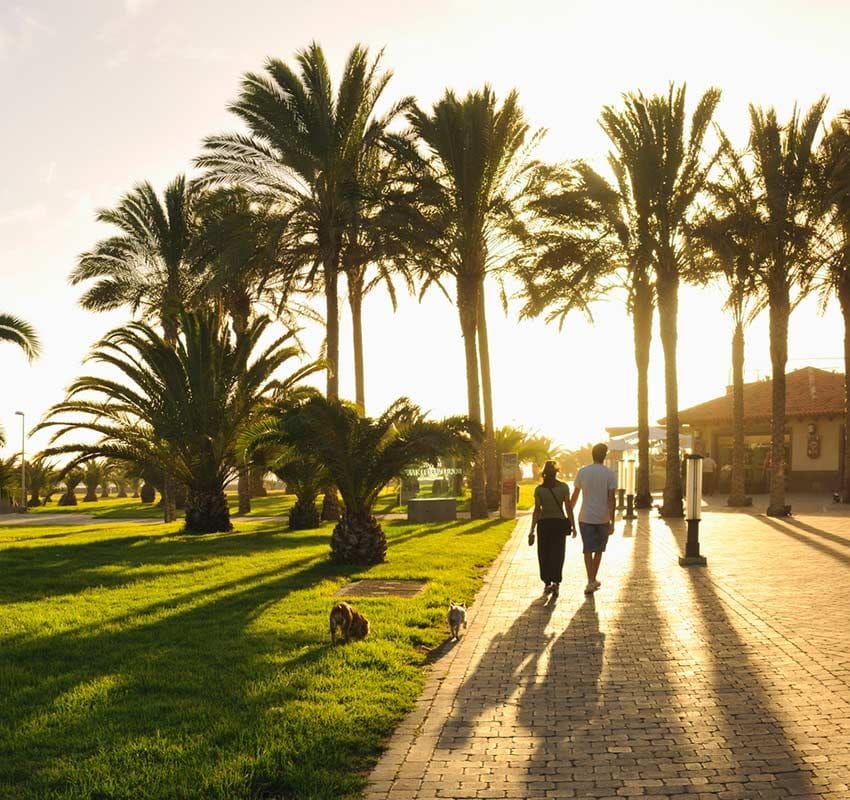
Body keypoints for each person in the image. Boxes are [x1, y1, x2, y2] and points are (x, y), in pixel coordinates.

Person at [571, 443, 617, 595]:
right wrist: (612, 521)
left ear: (592, 454)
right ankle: (592, 580)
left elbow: (575, 495)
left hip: (585, 517)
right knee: (598, 550)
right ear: (604, 456)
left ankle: (591, 580)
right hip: (602, 518)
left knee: (587, 549)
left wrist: (568, 514)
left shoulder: (582, 472)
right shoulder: (610, 474)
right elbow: (612, 500)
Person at [529, 460, 577, 598]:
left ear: (544, 473)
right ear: (557, 472)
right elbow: (568, 508)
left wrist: (532, 529)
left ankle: (547, 582)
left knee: (544, 553)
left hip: (544, 524)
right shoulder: (563, 487)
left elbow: (537, 510)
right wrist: (573, 526)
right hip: (559, 524)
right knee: (558, 553)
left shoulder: (539, 489)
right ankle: (556, 582)